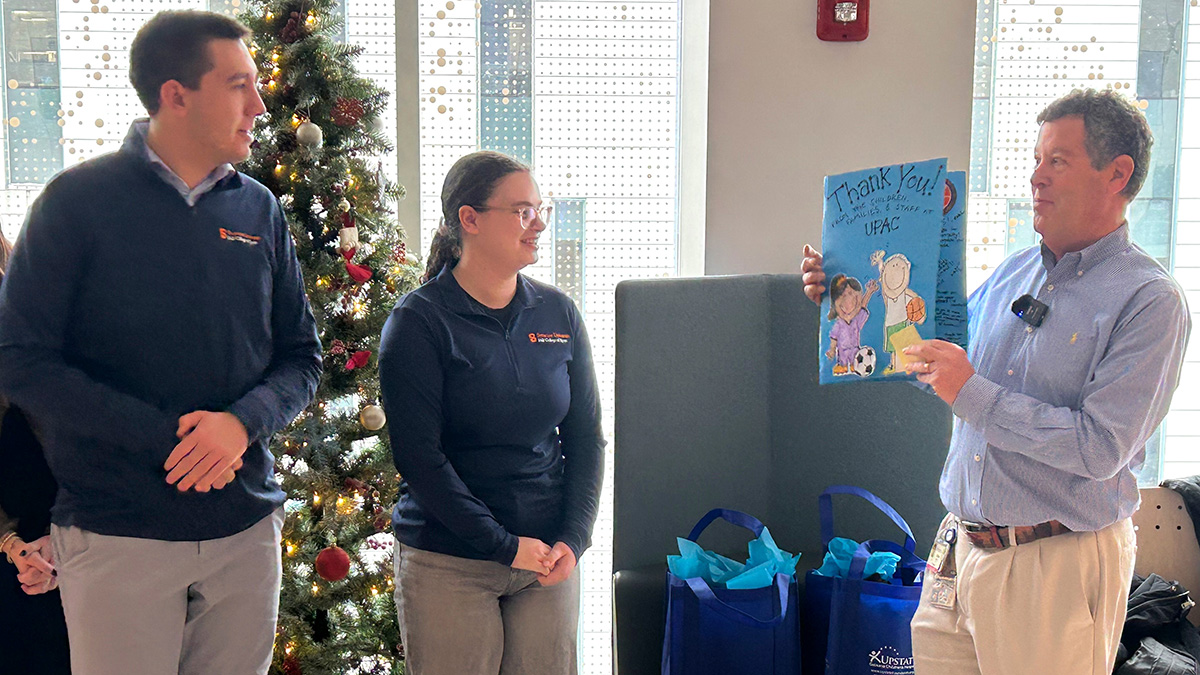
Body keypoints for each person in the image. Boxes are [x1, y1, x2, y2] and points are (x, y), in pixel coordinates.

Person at [801, 88, 1191, 675]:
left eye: (1056, 160)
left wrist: (971, 392)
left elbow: (1099, 448)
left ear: (1118, 174)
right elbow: (938, 369)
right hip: (959, 553)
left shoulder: (1149, 301)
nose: (1036, 177)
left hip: (1053, 564)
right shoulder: (1014, 269)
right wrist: (846, 306)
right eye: (1036, 159)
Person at [0, 11, 322, 675]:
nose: (260, 105)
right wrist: (168, 439)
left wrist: (240, 424)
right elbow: (21, 360)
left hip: (245, 531)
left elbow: (301, 358)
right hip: (116, 531)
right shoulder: (72, 204)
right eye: (239, 85)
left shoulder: (259, 209)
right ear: (176, 95)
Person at [378, 150, 606, 674]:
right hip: (449, 562)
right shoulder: (418, 323)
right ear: (470, 219)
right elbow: (419, 459)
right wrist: (502, 545)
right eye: (523, 211)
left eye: (539, 209)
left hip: (546, 560)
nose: (539, 224)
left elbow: (586, 438)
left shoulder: (557, 312)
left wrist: (574, 538)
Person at [0, 230, 71, 674]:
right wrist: (12, 545)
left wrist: (62, 544)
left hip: (79, 542)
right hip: (18, 552)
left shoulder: (40, 327)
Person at [826, 273, 878, 375]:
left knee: (855, 362)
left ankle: (854, 367)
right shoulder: (839, 325)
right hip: (843, 355)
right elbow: (834, 338)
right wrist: (832, 350)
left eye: (852, 295)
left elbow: (862, 306)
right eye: (844, 296)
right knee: (843, 366)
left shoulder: (857, 321)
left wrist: (869, 292)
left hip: (856, 355)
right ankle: (843, 366)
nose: (848, 303)